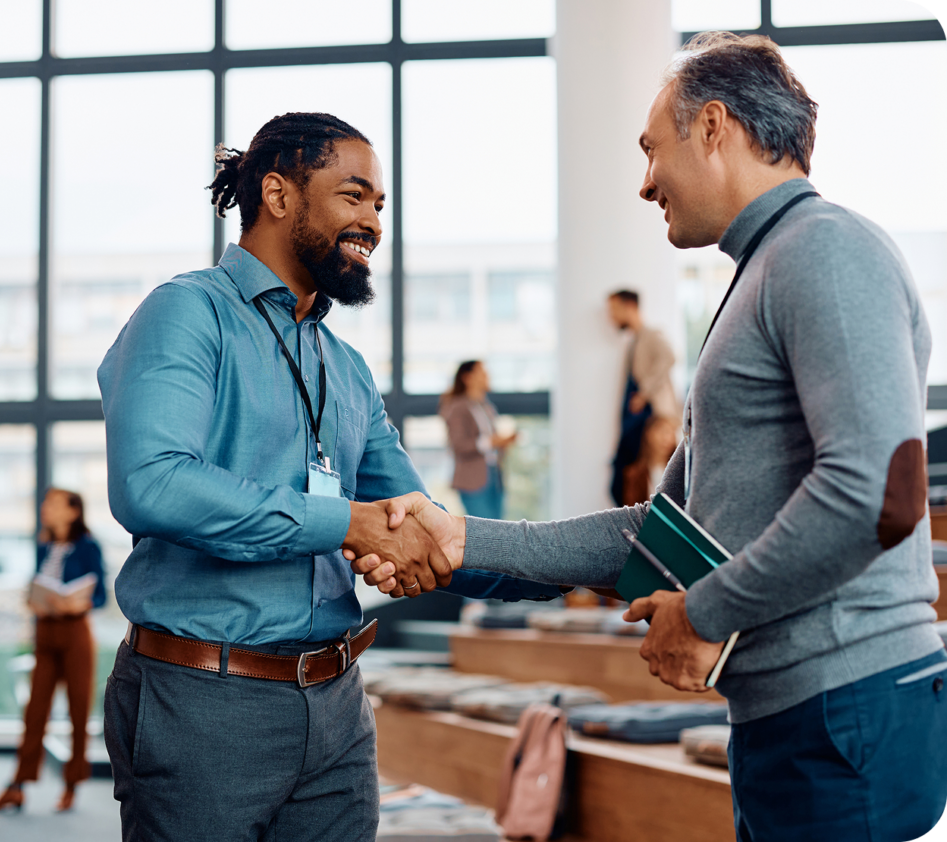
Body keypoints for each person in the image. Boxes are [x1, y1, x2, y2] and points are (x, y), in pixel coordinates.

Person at [353, 32, 946, 842]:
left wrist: (703, 612)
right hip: (794, 718)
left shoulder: (826, 250)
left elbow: (878, 491)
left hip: (849, 709)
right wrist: (462, 539)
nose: (644, 182)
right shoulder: (762, 274)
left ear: (713, 128)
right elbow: (657, 535)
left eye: (650, 150)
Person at [96, 112, 565, 842]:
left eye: (380, 205)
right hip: (205, 703)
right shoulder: (186, 314)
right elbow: (152, 484)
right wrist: (346, 521)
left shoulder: (343, 368)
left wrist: (594, 568)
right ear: (279, 194)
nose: (373, 222)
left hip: (339, 711)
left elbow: (421, 529)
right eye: (354, 196)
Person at [0, 488, 106, 813]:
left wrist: (79, 602)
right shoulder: (43, 546)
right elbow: (40, 583)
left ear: (73, 511)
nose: (45, 509)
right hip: (45, 633)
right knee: (35, 711)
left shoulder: (88, 546)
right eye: (45, 503)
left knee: (79, 710)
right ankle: (17, 785)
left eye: (53, 504)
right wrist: (35, 599)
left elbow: (101, 596)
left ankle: (71, 784)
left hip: (76, 633)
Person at [607, 289, 679, 506]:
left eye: (614, 310)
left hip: (652, 417)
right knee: (628, 478)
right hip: (637, 420)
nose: (611, 317)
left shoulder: (651, 335)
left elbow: (670, 357)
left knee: (649, 476)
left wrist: (644, 393)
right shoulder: (634, 341)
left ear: (629, 306)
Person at [440, 360, 518, 519]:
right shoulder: (457, 407)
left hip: (494, 475)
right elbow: (458, 444)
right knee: (485, 532)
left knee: (499, 530)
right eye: (481, 372)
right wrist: (492, 442)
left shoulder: (485, 406)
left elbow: (490, 440)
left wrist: (503, 443)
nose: (487, 376)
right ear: (467, 377)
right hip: (472, 479)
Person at [621, 415, 678, 507]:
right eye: (662, 432)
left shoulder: (680, 471)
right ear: (648, 434)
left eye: (670, 433)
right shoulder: (634, 475)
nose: (666, 439)